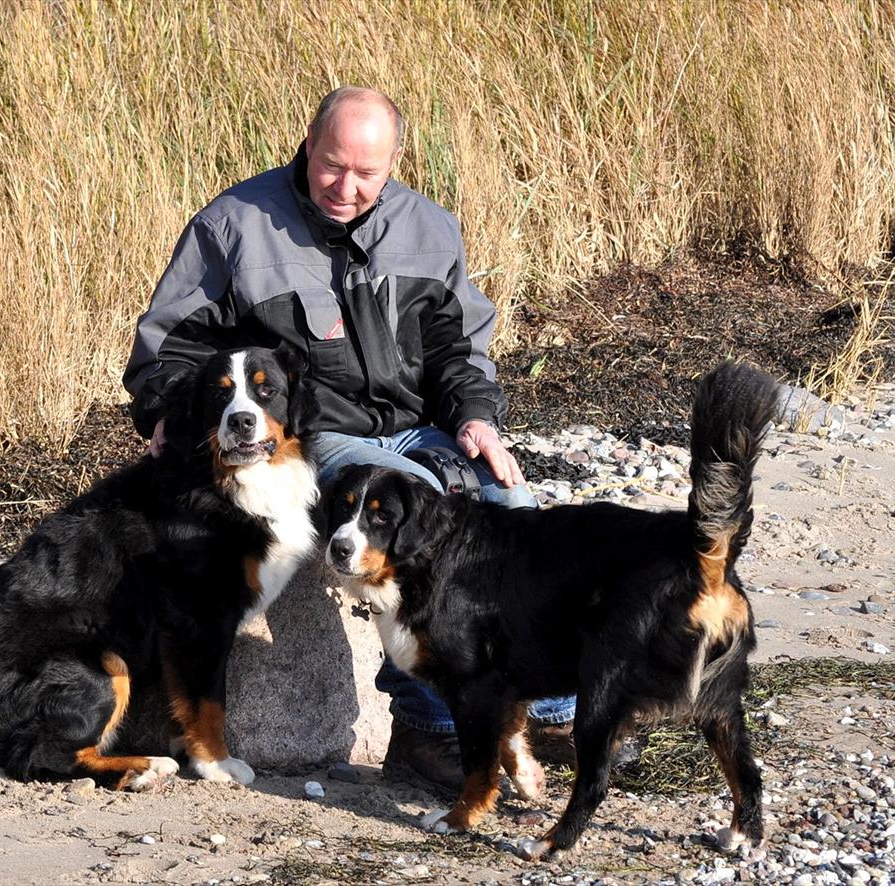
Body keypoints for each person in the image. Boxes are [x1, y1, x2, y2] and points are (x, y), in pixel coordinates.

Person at [124, 86, 576, 794]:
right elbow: (170, 349)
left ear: (395, 162)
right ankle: (428, 732)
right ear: (308, 144)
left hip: (423, 428)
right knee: (412, 517)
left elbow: (459, 350)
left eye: (367, 173)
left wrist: (476, 417)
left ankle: (547, 713)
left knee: (514, 505)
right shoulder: (233, 226)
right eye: (332, 165)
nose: (346, 186)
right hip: (321, 437)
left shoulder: (431, 228)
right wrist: (164, 412)